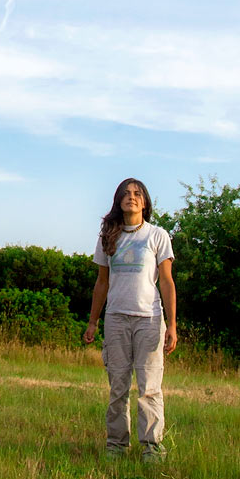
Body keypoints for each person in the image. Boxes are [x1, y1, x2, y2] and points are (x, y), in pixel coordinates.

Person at [83, 178, 177, 461]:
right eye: (125, 193)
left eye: (137, 194)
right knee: (118, 387)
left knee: (149, 388)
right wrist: (93, 321)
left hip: (149, 320)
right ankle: (116, 445)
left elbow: (167, 282)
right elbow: (102, 283)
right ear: (118, 201)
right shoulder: (107, 237)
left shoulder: (157, 235)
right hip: (116, 320)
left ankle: (152, 448)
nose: (131, 197)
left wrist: (172, 325)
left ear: (145, 202)